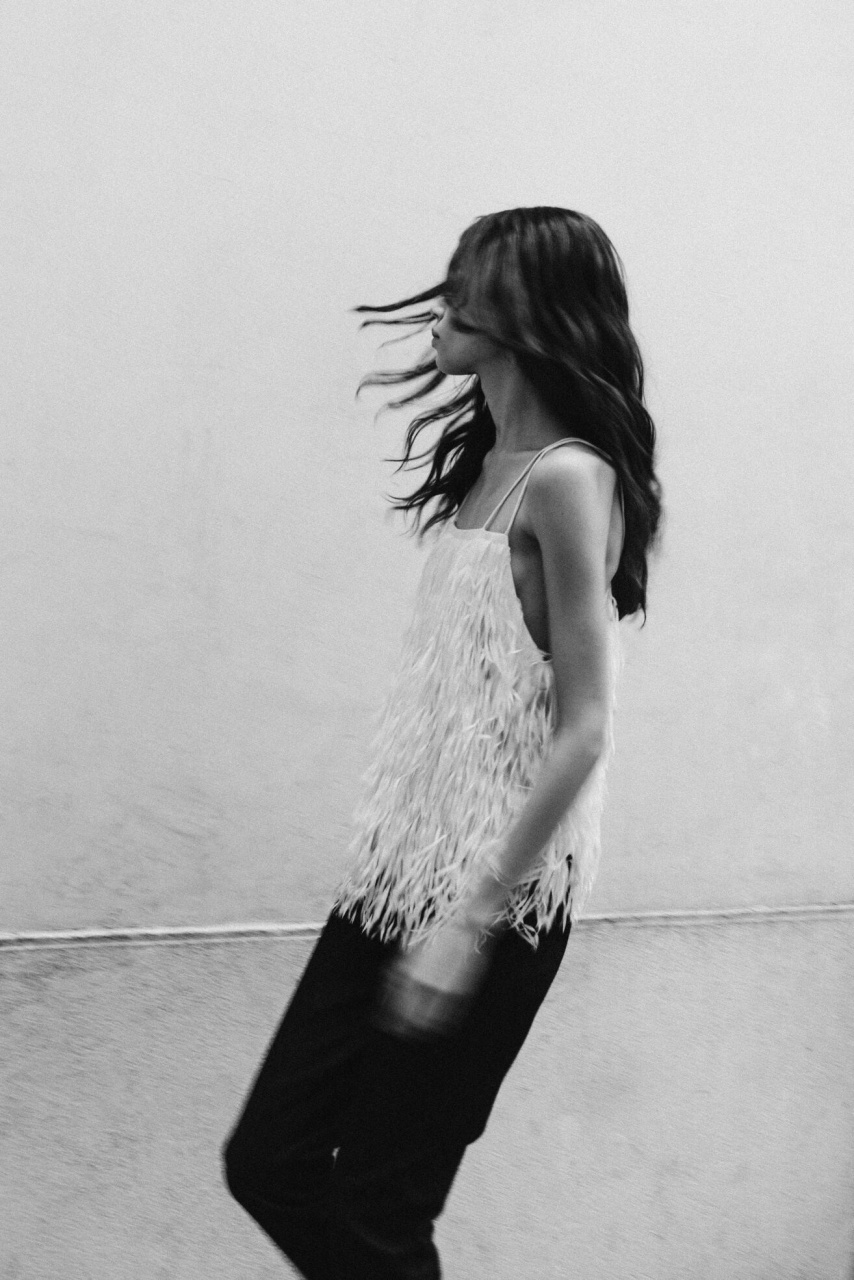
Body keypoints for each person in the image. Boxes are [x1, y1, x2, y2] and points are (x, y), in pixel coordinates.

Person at [222, 205, 663, 1278]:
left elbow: (584, 728)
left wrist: (469, 920)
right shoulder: (488, 464)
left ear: (530, 314)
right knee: (269, 1158)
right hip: (394, 878)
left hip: (495, 899)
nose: (442, 305)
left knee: (381, 1208)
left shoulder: (567, 477)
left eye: (468, 288)